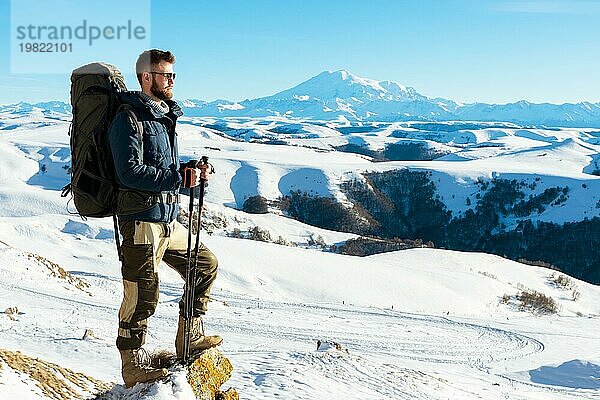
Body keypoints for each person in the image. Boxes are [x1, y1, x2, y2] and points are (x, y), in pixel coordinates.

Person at [108, 49, 222, 388]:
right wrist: (178, 179)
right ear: (146, 77)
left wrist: (188, 170)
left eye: (173, 75)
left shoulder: (161, 117)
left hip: (165, 219)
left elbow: (161, 166)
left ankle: (191, 336)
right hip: (141, 219)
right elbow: (129, 173)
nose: (171, 81)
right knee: (142, 292)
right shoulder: (128, 118)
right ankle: (133, 365)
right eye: (165, 75)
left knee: (204, 264)